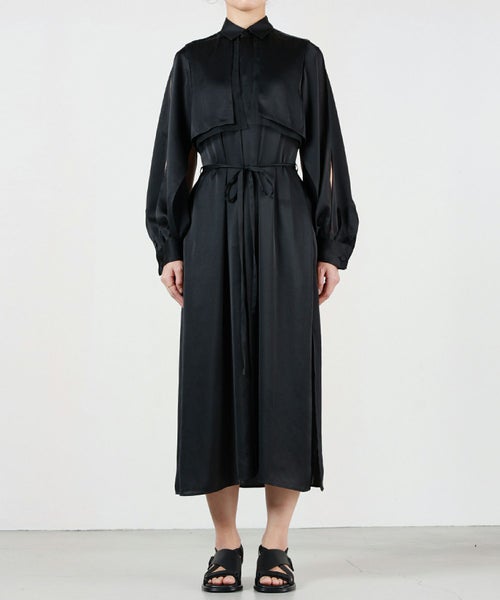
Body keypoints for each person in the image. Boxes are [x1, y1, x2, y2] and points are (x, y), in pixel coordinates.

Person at [145, 0, 359, 593]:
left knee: (286, 373)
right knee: (213, 376)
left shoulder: (302, 58)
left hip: (286, 221)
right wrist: (169, 245)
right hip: (210, 224)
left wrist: (331, 245)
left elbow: (326, 153)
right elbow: (171, 156)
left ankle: (276, 545)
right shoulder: (191, 62)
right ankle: (225, 544)